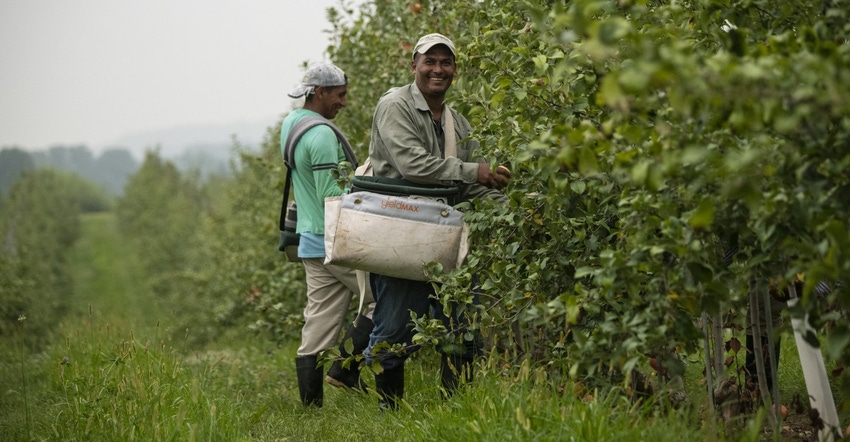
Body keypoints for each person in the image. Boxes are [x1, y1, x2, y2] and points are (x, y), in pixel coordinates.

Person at [363, 33, 511, 410]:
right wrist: (476, 172)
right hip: (401, 232)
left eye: (446, 63)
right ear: (414, 66)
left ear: (454, 71)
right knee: (394, 326)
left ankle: (455, 409)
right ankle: (388, 410)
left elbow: (472, 186)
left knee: (462, 325)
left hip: (447, 236)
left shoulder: (458, 123)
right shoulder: (394, 105)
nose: (438, 69)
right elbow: (413, 166)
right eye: (430, 61)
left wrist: (512, 212)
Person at [281, 62, 376, 407]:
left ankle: (310, 409)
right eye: (339, 95)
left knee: (318, 324)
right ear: (319, 92)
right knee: (382, 300)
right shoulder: (320, 134)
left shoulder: (292, 124)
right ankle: (345, 370)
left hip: (309, 240)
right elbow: (330, 196)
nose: (343, 103)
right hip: (334, 240)